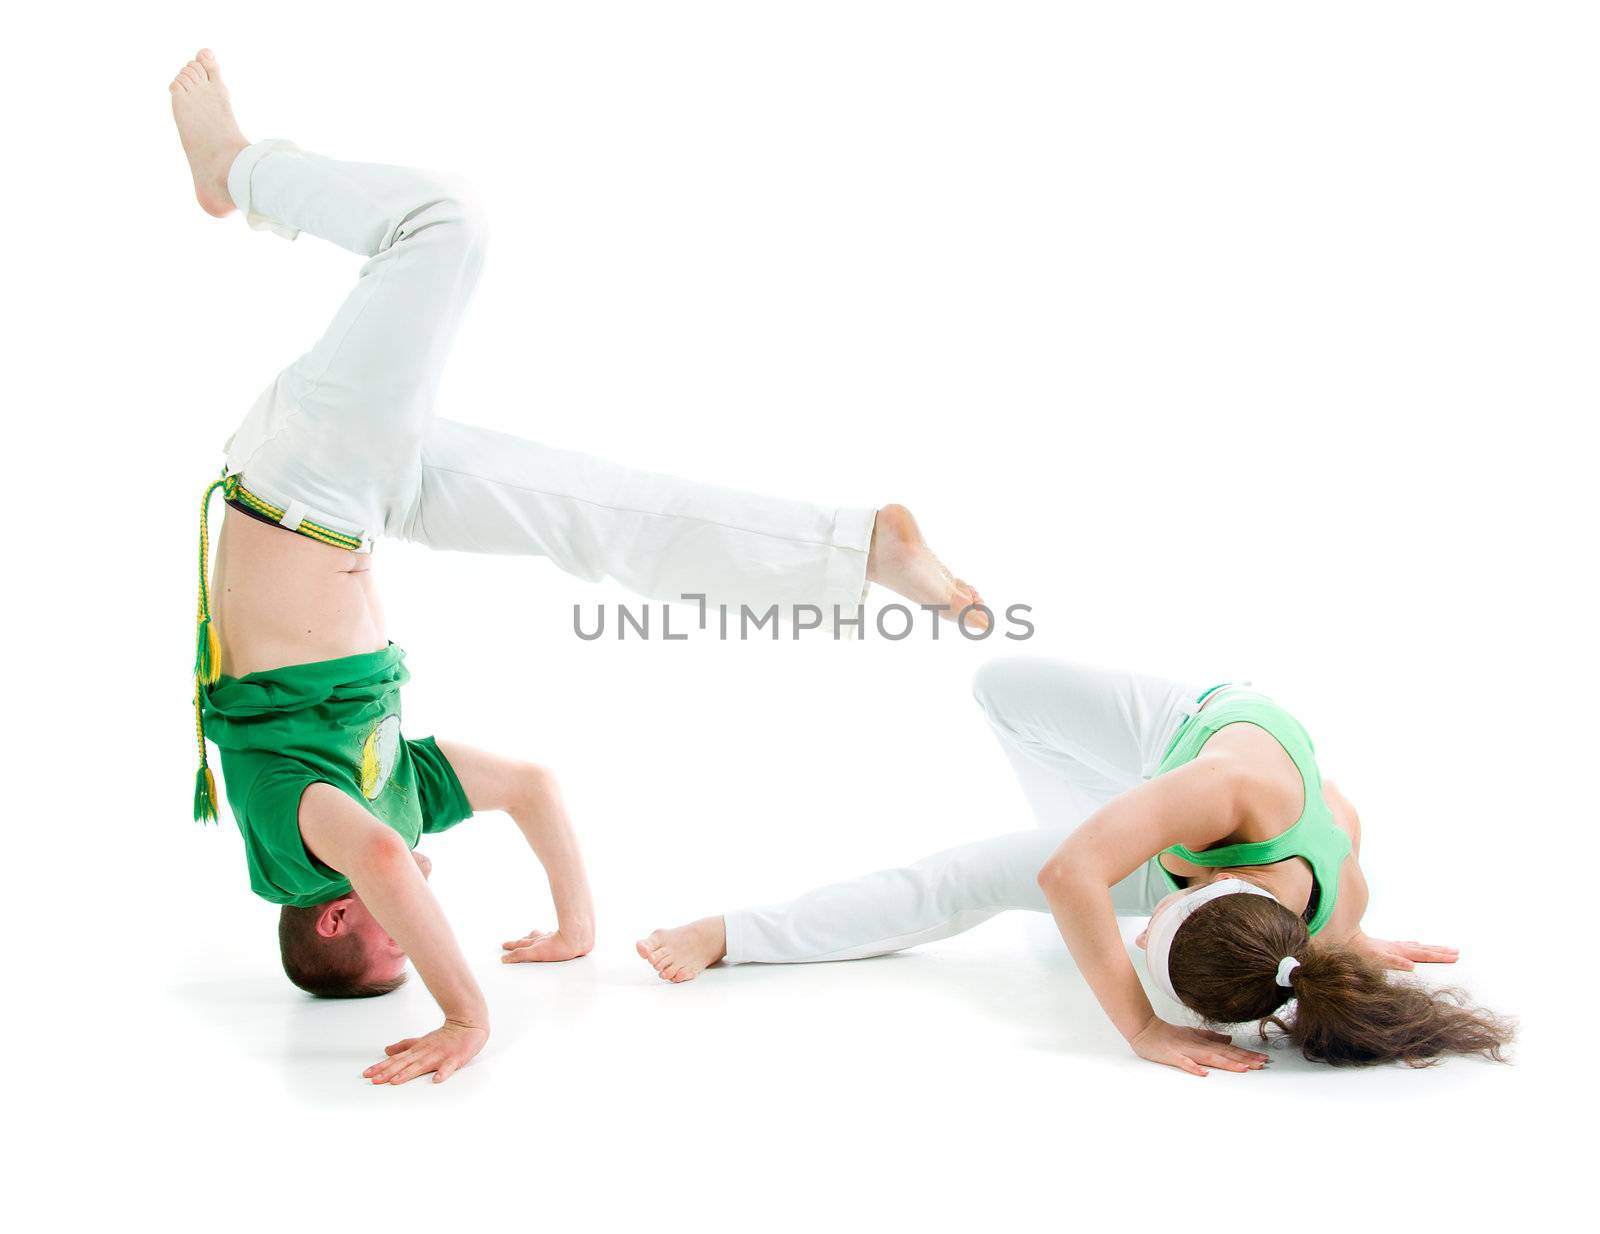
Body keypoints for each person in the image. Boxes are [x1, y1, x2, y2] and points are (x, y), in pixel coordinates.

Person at [171, 48, 985, 1086]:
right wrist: (574, 921)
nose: (422, 918)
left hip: (299, 479)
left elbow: (380, 863)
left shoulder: (303, 836)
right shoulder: (402, 804)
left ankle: (233, 169)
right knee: (610, 523)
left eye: (395, 943)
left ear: (339, 914)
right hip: (363, 507)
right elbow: (531, 786)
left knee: (441, 225)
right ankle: (858, 548)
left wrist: (466, 1012)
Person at [638, 657, 1513, 1073]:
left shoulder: (1329, 910)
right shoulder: (1223, 789)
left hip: (1194, 843)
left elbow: (1339, 922)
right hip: (1185, 722)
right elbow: (1071, 878)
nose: (1133, 936)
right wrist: (1140, 1029)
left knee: (959, 876)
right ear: (1203, 880)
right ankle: (1109, 816)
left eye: (1141, 936)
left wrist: (1356, 948)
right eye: (1151, 929)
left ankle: (729, 934)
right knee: (998, 688)